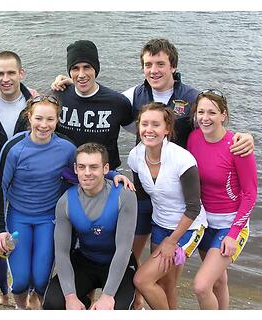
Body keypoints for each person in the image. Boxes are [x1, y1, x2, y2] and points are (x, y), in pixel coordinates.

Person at [52, 38, 254, 309]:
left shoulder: (191, 98)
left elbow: (213, 122)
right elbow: (99, 99)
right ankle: (123, 303)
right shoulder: (133, 95)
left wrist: (243, 136)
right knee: (134, 258)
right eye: (148, 64)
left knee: (179, 275)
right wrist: (69, 83)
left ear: (173, 66)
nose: (154, 70)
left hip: (182, 198)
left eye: (160, 64)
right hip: (146, 191)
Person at [0, 95, 77, 309]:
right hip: (18, 217)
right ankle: (21, 308)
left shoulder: (66, 148)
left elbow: (87, 171)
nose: (44, 125)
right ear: (29, 117)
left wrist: (112, 175)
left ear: (57, 120)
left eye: (50, 119)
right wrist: (0, 229)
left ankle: (36, 303)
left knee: (40, 280)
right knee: (20, 281)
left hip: (48, 218)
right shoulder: (14, 147)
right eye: (39, 118)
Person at [127, 102, 207, 310]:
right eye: (144, 124)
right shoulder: (135, 157)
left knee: (143, 280)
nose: (149, 130)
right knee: (166, 284)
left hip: (187, 229)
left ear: (167, 129)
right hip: (159, 225)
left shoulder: (182, 159)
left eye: (156, 124)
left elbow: (193, 207)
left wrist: (172, 241)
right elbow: (141, 197)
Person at [43, 143, 137, 310]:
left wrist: (107, 296)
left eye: (94, 167)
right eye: (82, 167)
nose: (87, 173)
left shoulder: (124, 196)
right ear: (75, 169)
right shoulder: (65, 201)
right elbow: (62, 252)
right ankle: (83, 303)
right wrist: (70, 296)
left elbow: (123, 249)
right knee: (54, 303)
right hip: (86, 260)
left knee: (117, 309)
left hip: (118, 263)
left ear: (105, 168)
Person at [187, 89, 257, 310]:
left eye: (212, 112)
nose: (205, 118)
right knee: (218, 281)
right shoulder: (194, 138)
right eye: (201, 112)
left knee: (200, 285)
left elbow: (250, 194)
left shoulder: (237, 146)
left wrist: (234, 234)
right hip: (205, 222)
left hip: (230, 225)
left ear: (223, 115)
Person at [0, 51, 35, 307]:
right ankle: (3, 293)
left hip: (30, 190)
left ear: (21, 74)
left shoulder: (35, 104)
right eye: (0, 73)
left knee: (29, 239)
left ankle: (30, 290)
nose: (6, 78)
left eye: (11, 72)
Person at [52, 39, 135, 171]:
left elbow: (142, 132)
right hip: (67, 172)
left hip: (105, 175)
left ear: (95, 69)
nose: (81, 74)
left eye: (87, 67)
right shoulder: (58, 96)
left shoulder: (117, 102)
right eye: (75, 68)